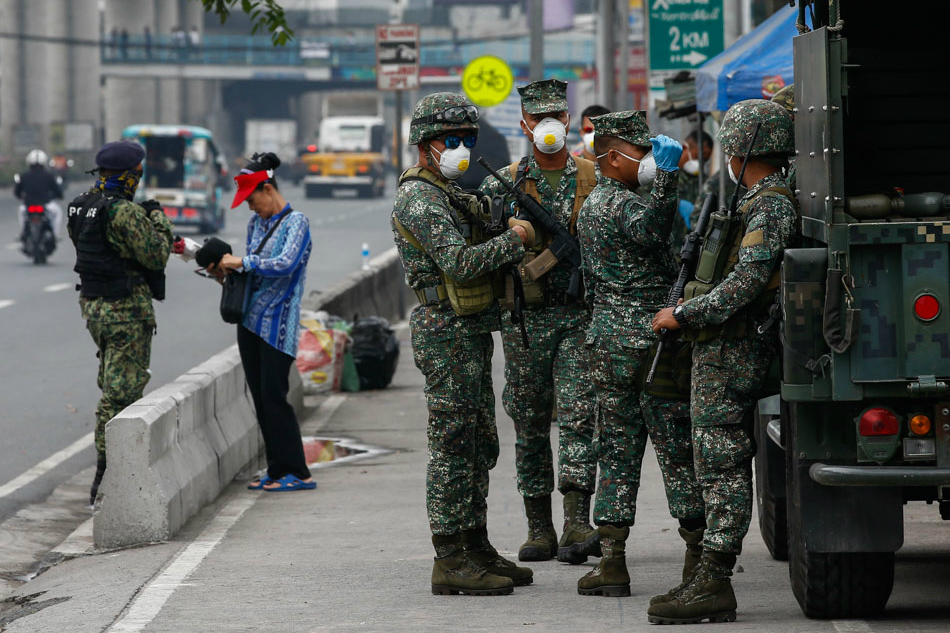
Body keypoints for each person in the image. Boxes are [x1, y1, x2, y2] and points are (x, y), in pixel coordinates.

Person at [648, 99, 797, 624]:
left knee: (722, 461)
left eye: (730, 148)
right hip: (721, 347)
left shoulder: (771, 204)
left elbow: (747, 283)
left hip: (734, 349)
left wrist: (684, 313)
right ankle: (706, 576)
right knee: (713, 459)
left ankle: (713, 580)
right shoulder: (758, 200)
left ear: (742, 150)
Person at [392, 92, 533, 596]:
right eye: (452, 141)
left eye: (468, 140)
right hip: (444, 330)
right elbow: (460, 263)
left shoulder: (448, 191)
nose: (462, 150)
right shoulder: (420, 198)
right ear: (426, 145)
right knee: (453, 446)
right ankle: (449, 557)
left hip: (467, 330)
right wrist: (514, 239)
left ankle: (475, 544)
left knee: (479, 444)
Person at [574, 111, 705, 597]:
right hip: (648, 341)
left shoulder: (601, 201)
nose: (649, 162)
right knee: (675, 447)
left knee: (617, 449)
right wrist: (669, 178)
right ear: (612, 158)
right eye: (643, 155)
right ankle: (697, 555)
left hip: (611, 342)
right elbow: (651, 231)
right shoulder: (614, 203)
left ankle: (612, 562)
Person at [479, 79, 599, 563]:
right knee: (528, 424)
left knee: (577, 417)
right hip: (525, 320)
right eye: (538, 117)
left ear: (567, 121)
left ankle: (575, 521)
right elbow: (480, 244)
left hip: (577, 317)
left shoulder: (595, 178)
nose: (548, 125)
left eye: (556, 115)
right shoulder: (500, 184)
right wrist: (507, 234)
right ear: (524, 124)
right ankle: (539, 528)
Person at [66, 140, 173, 506]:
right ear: (129, 175)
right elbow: (156, 255)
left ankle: (107, 474)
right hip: (125, 311)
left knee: (112, 382)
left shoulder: (81, 206)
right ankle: (106, 476)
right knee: (121, 394)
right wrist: (156, 216)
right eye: (138, 174)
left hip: (95, 308)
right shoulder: (126, 213)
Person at [209, 152, 316, 493]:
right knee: (260, 397)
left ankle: (298, 472)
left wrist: (243, 261)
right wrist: (225, 271)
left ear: (268, 189)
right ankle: (276, 467)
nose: (251, 207)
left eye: (253, 199)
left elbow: (285, 264)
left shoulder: (297, 222)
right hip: (250, 323)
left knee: (275, 396)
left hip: (278, 326)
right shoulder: (256, 224)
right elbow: (252, 269)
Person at [15, 149, 63, 240]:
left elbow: (17, 192)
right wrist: (59, 196)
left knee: (21, 212)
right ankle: (55, 235)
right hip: (46, 204)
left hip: (28, 205)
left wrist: (21, 197)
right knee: (57, 212)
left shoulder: (24, 176)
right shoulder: (49, 175)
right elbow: (57, 191)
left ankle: (23, 233)